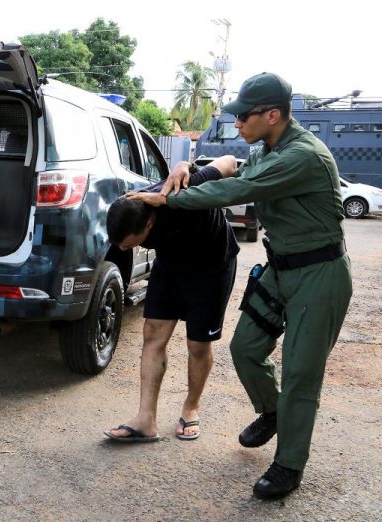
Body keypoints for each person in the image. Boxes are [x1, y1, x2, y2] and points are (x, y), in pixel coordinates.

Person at [128, 72, 352, 500]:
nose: (236, 125)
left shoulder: (303, 155)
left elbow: (237, 188)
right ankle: (272, 411)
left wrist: (166, 199)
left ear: (272, 114)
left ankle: (288, 464)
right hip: (282, 267)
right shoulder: (271, 148)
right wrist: (186, 168)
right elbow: (232, 166)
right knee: (245, 349)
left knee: (302, 374)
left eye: (242, 117)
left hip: (319, 274)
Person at [104, 156, 239, 444]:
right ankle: (145, 419)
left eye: (129, 242)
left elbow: (229, 163)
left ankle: (191, 407)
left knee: (198, 344)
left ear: (150, 223)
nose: (123, 248)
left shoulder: (181, 192)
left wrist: (185, 165)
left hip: (211, 266)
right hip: (171, 265)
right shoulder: (132, 209)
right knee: (152, 333)